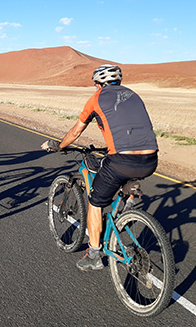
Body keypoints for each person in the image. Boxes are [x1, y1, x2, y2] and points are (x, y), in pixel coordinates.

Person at [41, 64, 158, 271]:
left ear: (98, 84)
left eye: (96, 84)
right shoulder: (134, 95)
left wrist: (58, 145)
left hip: (122, 160)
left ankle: (94, 254)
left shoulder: (96, 99)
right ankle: (128, 202)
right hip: (150, 159)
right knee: (120, 172)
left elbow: (76, 131)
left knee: (95, 202)